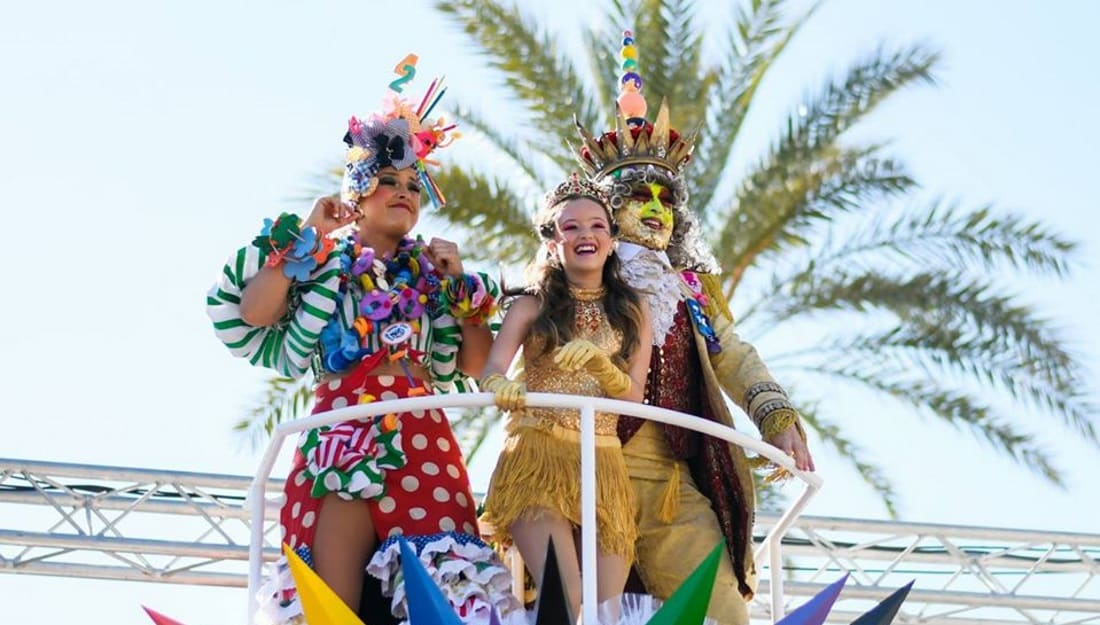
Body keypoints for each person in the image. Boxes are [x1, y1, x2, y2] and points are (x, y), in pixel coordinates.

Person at [206, 64, 521, 625]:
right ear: (359, 189)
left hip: (420, 429)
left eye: (413, 187)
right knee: (333, 598)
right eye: (389, 182)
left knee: (445, 582)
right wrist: (310, 232)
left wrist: (460, 285)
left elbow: (475, 364)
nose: (404, 194)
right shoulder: (322, 258)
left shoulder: (433, 270)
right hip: (341, 433)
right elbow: (253, 312)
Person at [570, 32, 816, 625]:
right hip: (587, 468)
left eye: (664, 198)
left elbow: (732, 353)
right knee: (581, 613)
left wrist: (777, 419)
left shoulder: (694, 290)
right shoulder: (572, 271)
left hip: (675, 480)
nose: (655, 208)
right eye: (637, 197)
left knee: (725, 612)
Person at [478, 173, 653, 619]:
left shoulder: (634, 309)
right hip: (537, 456)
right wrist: (502, 386)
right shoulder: (529, 306)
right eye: (570, 227)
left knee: (605, 612)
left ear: (612, 240)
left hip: (605, 465)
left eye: (596, 225)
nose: (585, 235)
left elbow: (634, 396)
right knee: (566, 598)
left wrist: (600, 365)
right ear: (553, 242)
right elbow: (491, 370)